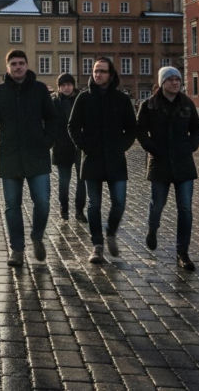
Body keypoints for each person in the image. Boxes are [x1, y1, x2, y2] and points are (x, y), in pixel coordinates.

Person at [0, 49, 57, 266]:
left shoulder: (40, 90)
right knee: (12, 206)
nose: (17, 67)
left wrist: (47, 141)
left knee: (42, 202)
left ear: (27, 65)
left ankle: (36, 236)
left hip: (37, 155)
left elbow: (52, 118)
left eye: (21, 63)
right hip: (10, 155)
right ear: (8, 67)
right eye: (13, 63)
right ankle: (17, 249)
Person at [69, 57, 137, 264]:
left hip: (116, 159)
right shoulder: (83, 98)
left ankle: (111, 232)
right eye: (95, 71)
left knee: (119, 202)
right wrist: (84, 146)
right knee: (94, 205)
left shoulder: (122, 99)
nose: (98, 74)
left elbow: (132, 129)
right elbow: (72, 126)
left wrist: (121, 146)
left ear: (111, 74)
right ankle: (97, 245)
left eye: (102, 71)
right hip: (91, 159)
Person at [136, 67, 199, 271]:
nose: (176, 83)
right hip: (160, 162)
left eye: (178, 79)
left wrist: (191, 146)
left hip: (183, 163)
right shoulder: (149, 105)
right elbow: (140, 131)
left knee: (185, 209)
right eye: (171, 79)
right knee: (157, 204)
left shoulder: (187, 103)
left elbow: (197, 129)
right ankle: (152, 228)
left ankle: (182, 252)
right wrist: (152, 148)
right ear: (162, 82)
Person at [51, 73, 86, 222]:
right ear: (59, 87)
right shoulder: (53, 102)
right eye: (63, 85)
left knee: (81, 180)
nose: (66, 88)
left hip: (80, 146)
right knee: (64, 181)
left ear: (73, 85)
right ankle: (64, 208)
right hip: (61, 146)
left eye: (69, 84)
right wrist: (52, 141)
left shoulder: (81, 100)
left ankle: (79, 211)